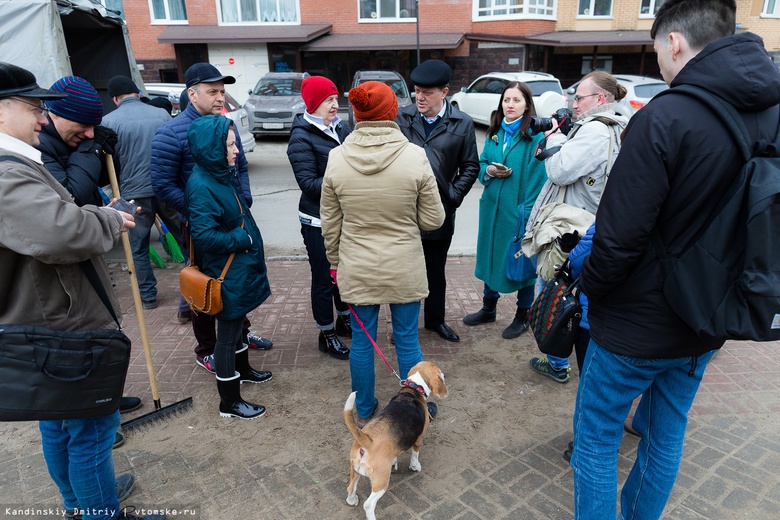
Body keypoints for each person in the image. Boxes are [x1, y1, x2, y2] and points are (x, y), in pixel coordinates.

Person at [575, 1, 780, 518]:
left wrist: (591, 290)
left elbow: (617, 239)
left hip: (635, 325)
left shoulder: (665, 117)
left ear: (674, 43)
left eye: (656, 52)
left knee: (597, 440)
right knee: (665, 436)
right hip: (712, 316)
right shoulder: (773, 114)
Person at [0, 62, 167, 520]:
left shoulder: (17, 163)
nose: (41, 118)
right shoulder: (6, 173)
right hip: (61, 326)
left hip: (47, 321)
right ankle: (98, 510)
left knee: (59, 424)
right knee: (92, 430)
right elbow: (60, 233)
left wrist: (90, 210)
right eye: (32, 107)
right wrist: (109, 219)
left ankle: (80, 503)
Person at [321, 81, 445, 425]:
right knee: (407, 338)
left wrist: (335, 263)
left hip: (357, 265)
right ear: (392, 111)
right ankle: (416, 406)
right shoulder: (414, 155)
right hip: (404, 263)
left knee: (362, 341)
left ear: (356, 113)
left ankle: (363, 408)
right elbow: (434, 218)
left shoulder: (337, 157)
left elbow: (330, 223)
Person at [38, 74, 143, 442]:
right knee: (71, 411)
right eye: (81, 126)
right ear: (51, 113)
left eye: (92, 128)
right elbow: (68, 195)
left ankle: (105, 399)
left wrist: (108, 208)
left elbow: (87, 198)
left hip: (87, 262)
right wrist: (91, 150)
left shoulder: (71, 137)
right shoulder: (39, 149)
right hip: (60, 286)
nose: (87, 134)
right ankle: (95, 413)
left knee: (102, 338)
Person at [151, 62, 272, 374]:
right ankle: (207, 348)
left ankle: (240, 333)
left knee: (237, 278)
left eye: (222, 91)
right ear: (192, 94)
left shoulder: (225, 125)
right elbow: (163, 184)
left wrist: (242, 200)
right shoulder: (171, 133)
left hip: (235, 218)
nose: (220, 98)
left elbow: (241, 167)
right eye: (212, 91)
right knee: (207, 285)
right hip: (201, 225)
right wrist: (201, 211)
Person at [526, 70, 628, 384]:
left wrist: (554, 135)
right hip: (589, 225)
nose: (573, 103)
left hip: (573, 231)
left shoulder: (595, 132)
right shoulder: (612, 126)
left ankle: (558, 363)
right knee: (570, 295)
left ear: (600, 98)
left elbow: (559, 169)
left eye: (579, 97)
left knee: (555, 296)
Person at [185, 115, 272, 419]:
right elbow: (205, 237)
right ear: (212, 148)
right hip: (226, 272)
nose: (237, 151)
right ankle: (229, 401)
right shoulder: (201, 185)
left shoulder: (218, 174)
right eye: (231, 145)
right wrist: (243, 237)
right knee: (227, 335)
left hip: (237, 269)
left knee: (237, 329)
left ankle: (244, 369)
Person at [395, 59, 479, 343]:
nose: (419, 97)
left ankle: (435, 321)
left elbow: (470, 166)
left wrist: (453, 196)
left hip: (441, 212)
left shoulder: (462, 123)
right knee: (405, 273)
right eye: (416, 90)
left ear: (444, 93)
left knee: (435, 272)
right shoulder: (402, 118)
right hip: (405, 213)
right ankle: (404, 327)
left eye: (427, 92)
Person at [461, 82, 547, 339]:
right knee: (491, 254)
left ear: (527, 105)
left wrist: (528, 212)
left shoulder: (535, 136)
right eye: (506, 100)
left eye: (516, 100)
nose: (510, 105)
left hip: (517, 210)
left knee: (522, 260)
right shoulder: (495, 132)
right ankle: (489, 308)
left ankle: (523, 315)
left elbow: (537, 176)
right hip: (492, 209)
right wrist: (488, 170)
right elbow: (483, 161)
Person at [102, 75, 183, 310]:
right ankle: (196, 290)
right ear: (138, 93)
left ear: (115, 98)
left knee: (138, 247)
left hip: (132, 193)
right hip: (167, 188)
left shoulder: (108, 121)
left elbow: (111, 163)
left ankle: (147, 297)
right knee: (186, 239)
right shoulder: (161, 114)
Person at [286, 76, 351, 360]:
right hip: (318, 220)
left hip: (344, 217)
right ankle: (326, 334)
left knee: (345, 274)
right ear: (313, 104)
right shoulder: (301, 137)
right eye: (328, 100)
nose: (335, 105)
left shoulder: (341, 127)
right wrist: (347, 175)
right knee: (324, 278)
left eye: (336, 99)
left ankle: (344, 318)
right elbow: (310, 185)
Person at [37, 75, 118, 208]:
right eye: (84, 125)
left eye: (94, 126)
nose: (91, 134)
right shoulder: (38, 146)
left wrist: (102, 156)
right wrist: (91, 149)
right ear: (56, 114)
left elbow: (99, 182)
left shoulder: (74, 140)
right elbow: (71, 198)